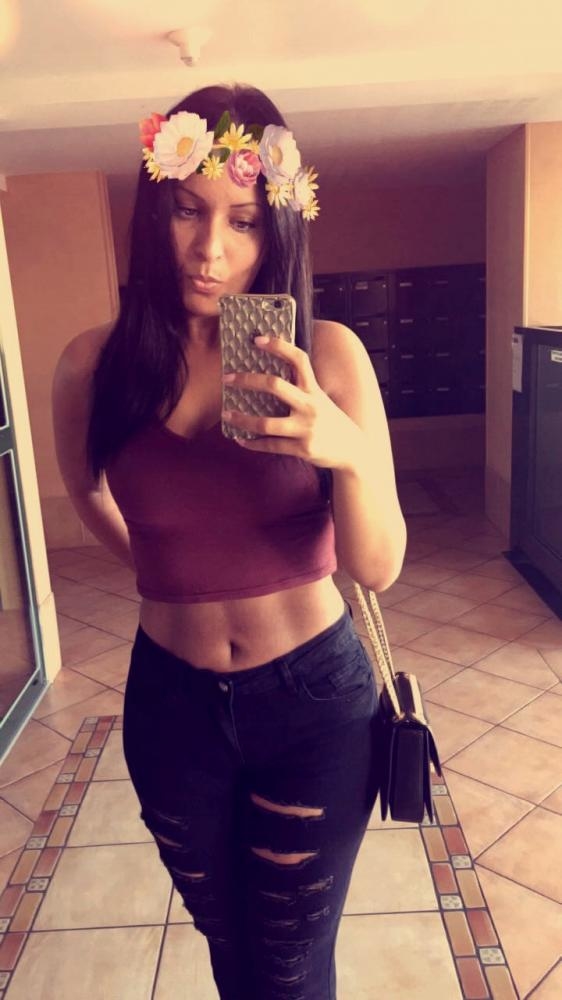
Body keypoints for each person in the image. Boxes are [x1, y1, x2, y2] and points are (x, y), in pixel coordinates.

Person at [52, 83, 406, 1000]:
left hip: (313, 705)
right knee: (227, 942)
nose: (210, 250)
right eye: (186, 210)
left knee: (290, 963)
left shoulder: (328, 356)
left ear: (275, 229)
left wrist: (343, 450)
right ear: (152, 211)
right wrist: (168, 572)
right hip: (169, 707)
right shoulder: (94, 366)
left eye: (243, 222)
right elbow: (86, 491)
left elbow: (378, 565)